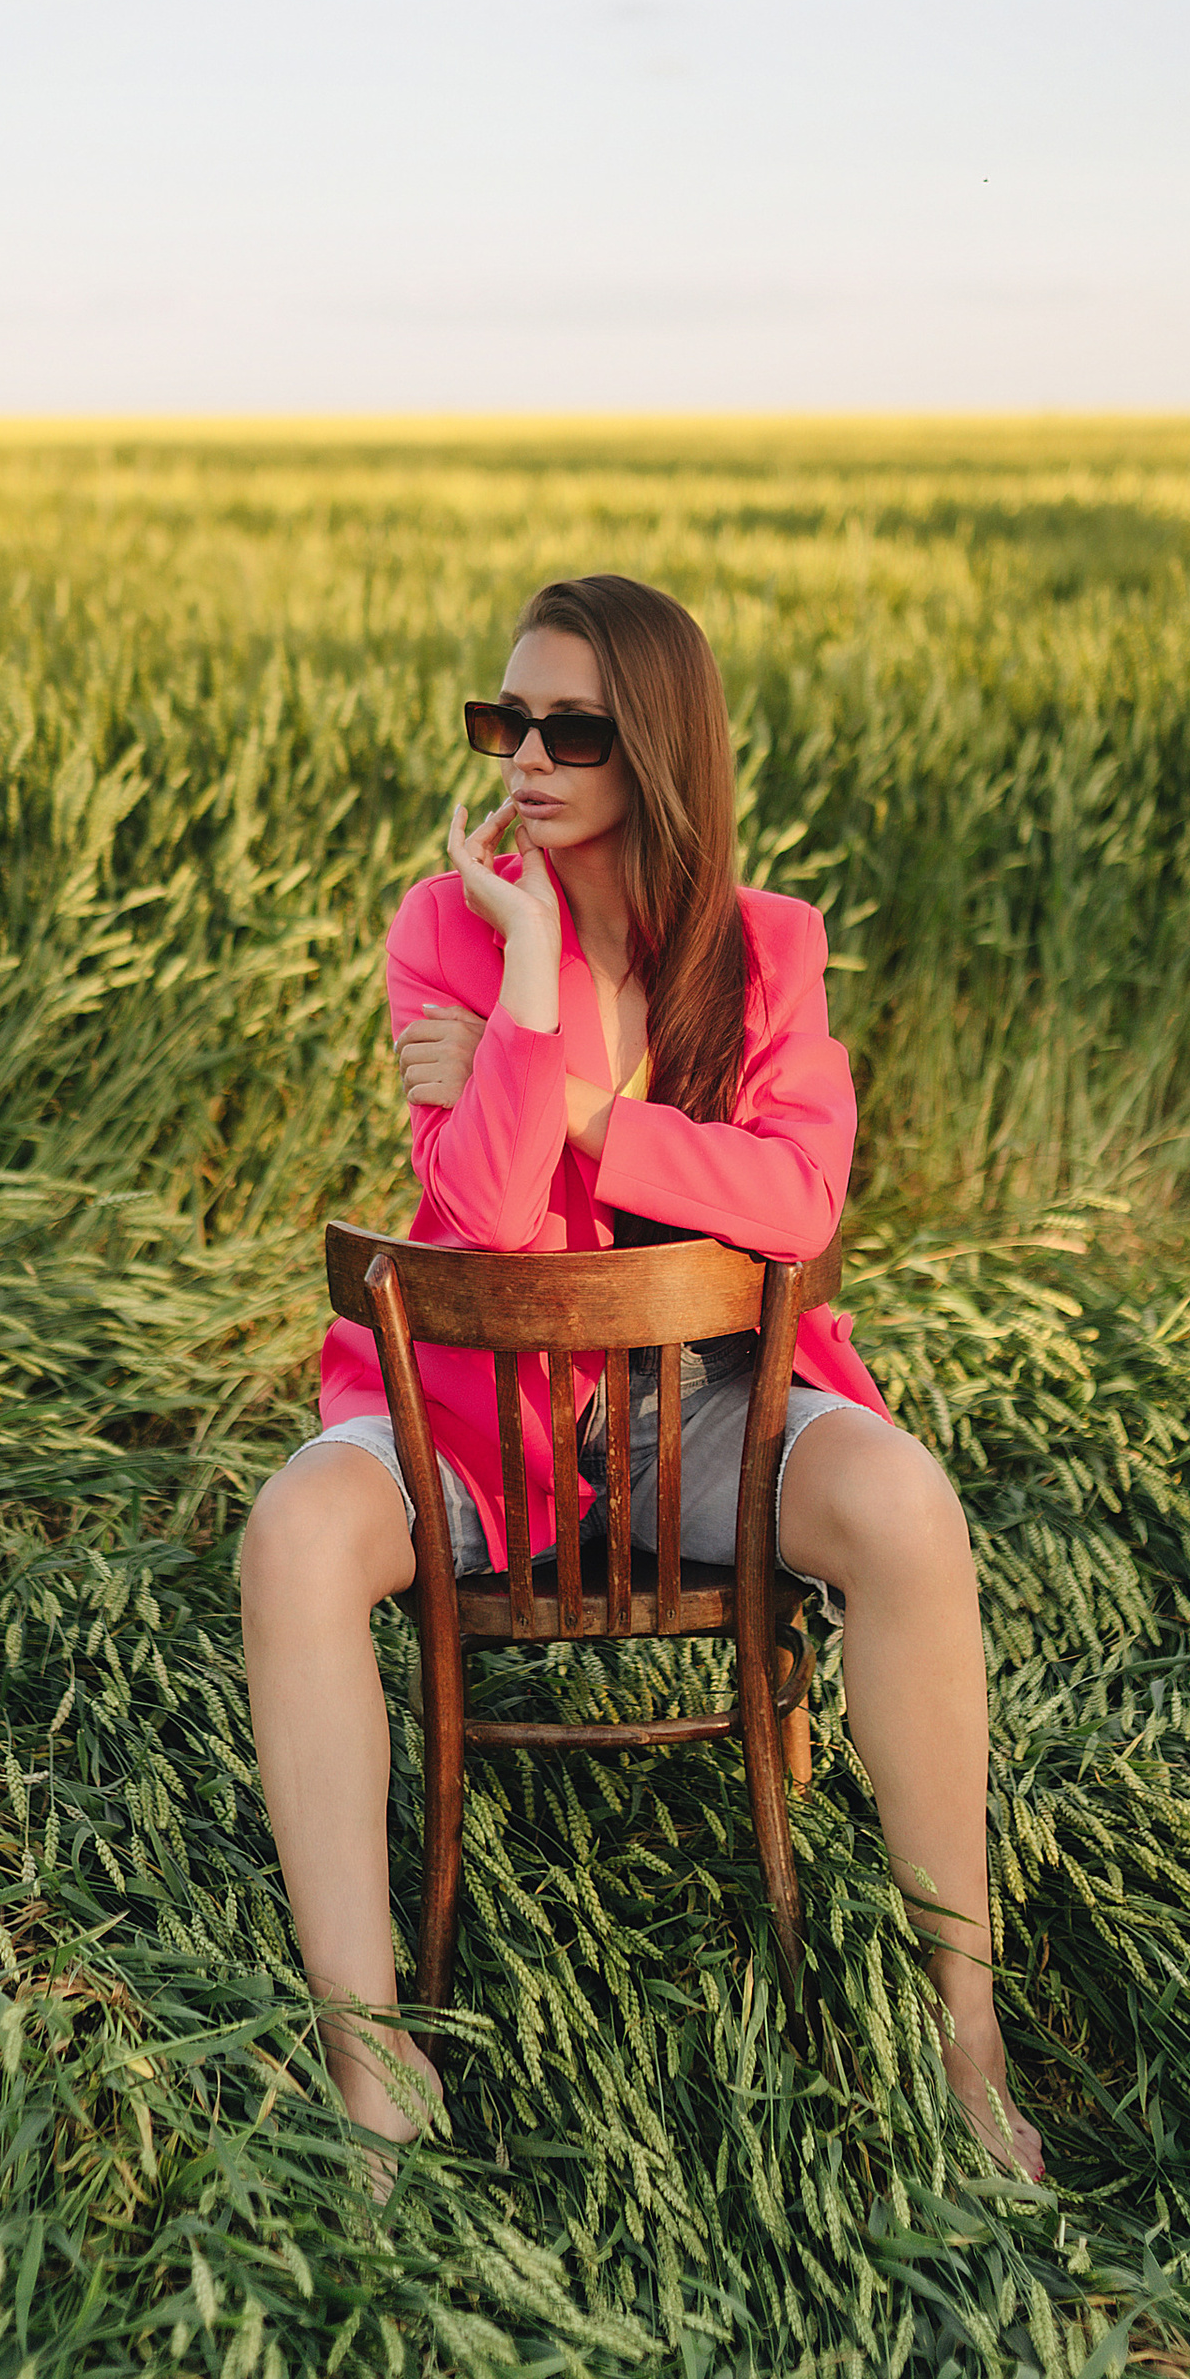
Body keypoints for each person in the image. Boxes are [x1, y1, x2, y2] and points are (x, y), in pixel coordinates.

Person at [239, 574, 1042, 2184]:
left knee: (902, 1498)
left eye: (573, 730)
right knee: (294, 1533)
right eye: (503, 719)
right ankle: (373, 2069)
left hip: (706, 1407)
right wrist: (530, 964)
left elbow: (798, 1206)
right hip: (481, 1414)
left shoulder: (763, 952)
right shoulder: (444, 927)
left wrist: (585, 1108)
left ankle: (969, 2036)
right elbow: (471, 1223)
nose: (524, 759)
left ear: (658, 750)